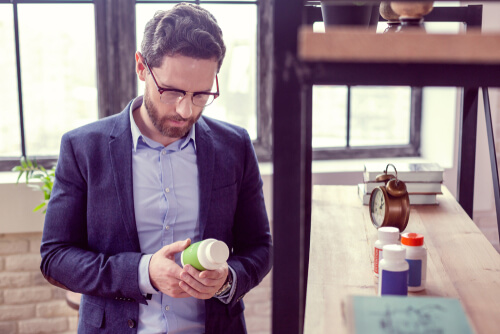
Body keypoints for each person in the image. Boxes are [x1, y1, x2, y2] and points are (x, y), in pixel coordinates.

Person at [40, 3, 273, 333]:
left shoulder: (234, 146)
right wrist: (143, 272)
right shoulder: (83, 148)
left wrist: (226, 280)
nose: (185, 109)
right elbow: (55, 258)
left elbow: (260, 247)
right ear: (141, 67)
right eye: (172, 91)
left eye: (201, 94)